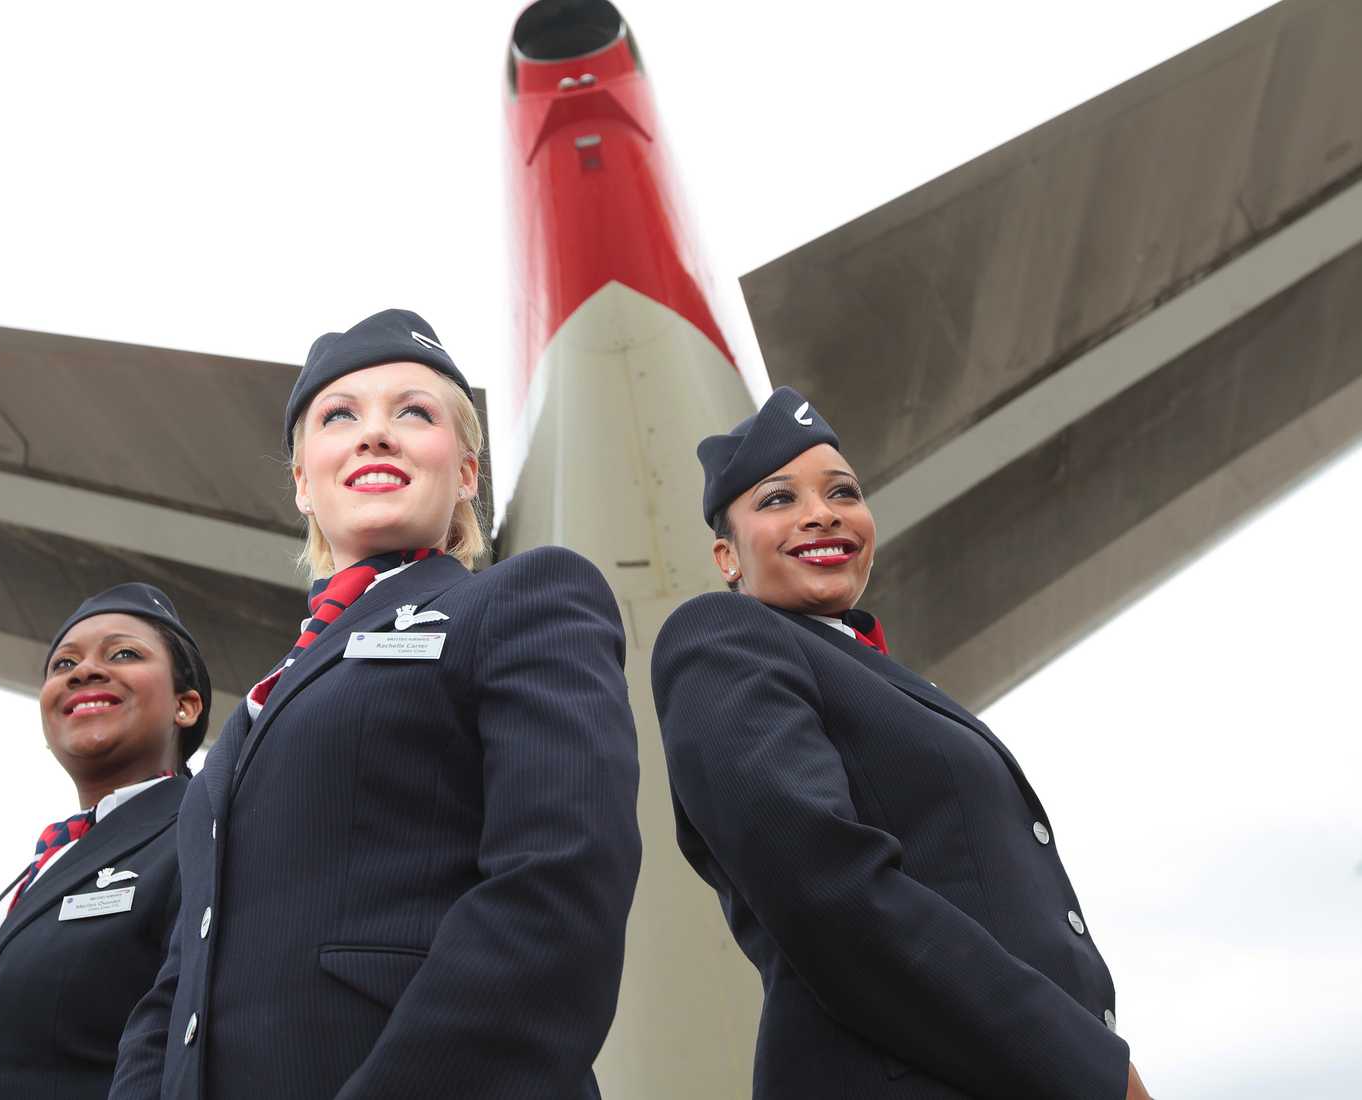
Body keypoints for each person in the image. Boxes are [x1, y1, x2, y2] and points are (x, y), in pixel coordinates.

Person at [110, 308, 641, 1100]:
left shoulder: (520, 601)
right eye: (339, 416)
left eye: (414, 413)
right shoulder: (257, 710)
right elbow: (180, 983)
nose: (375, 434)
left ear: (465, 471)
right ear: (302, 480)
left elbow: (556, 885)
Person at [650, 386, 1152, 1099]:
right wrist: (1093, 1068)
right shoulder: (724, 638)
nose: (821, 513)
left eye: (843, 492)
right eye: (778, 500)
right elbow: (829, 891)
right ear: (727, 557)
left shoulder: (874, 675)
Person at [0, 583, 211, 1100]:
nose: (84, 672)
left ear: (185, 707)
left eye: (123, 653)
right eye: (62, 665)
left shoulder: (205, 832)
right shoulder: (37, 875)